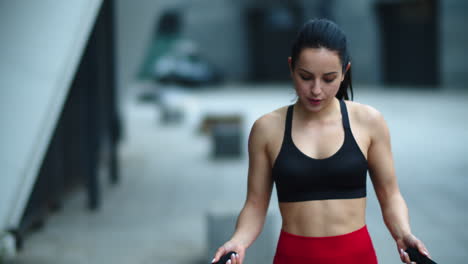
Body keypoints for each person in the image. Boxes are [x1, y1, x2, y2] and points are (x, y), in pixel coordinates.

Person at [210, 18, 432, 264]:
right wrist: (238, 241)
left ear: (344, 71)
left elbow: (390, 195)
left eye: (328, 79)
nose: (316, 90)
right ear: (291, 67)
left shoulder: (369, 121)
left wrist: (404, 234)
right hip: (292, 257)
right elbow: (254, 204)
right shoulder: (267, 128)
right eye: (306, 77)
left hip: (357, 257)